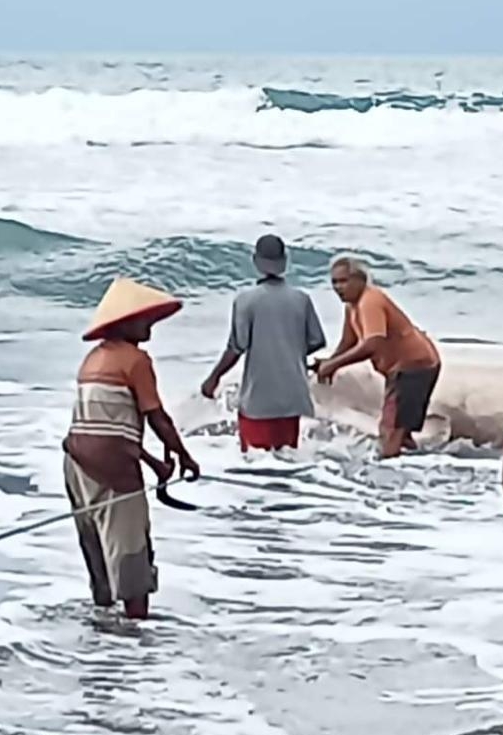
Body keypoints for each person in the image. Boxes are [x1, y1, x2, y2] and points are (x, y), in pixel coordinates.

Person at [64, 277, 200, 620]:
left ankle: (106, 642)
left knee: (98, 552)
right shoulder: (135, 360)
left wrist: (155, 463)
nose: (150, 324)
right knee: (130, 555)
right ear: (125, 323)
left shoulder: (93, 360)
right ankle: (135, 642)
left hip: (77, 463)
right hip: (111, 467)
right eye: (145, 318)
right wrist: (183, 456)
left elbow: (108, 429)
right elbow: (157, 418)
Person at [201, 234, 327, 452]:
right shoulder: (301, 299)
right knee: (287, 459)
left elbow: (236, 346)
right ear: (285, 260)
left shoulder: (246, 300)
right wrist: (289, 350)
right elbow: (317, 340)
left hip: (258, 398)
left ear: (255, 261)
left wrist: (213, 378)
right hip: (292, 396)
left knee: (256, 465)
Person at [316, 257, 441, 459]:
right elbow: (348, 341)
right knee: (400, 430)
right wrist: (330, 362)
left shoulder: (370, 301)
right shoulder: (352, 306)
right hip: (403, 368)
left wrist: (334, 365)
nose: (338, 287)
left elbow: (373, 345)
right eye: (335, 282)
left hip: (414, 366)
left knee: (390, 430)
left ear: (361, 280)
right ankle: (416, 468)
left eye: (344, 281)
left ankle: (386, 477)